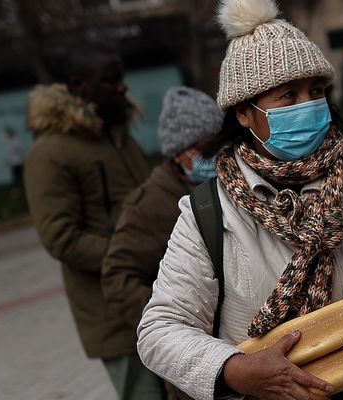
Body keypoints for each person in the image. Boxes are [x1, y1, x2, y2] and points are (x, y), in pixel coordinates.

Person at [135, 1, 343, 399]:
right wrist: (237, 371)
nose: (307, 105)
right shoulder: (207, 213)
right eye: (288, 96)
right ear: (244, 113)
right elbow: (161, 330)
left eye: (316, 91)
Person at [24, 44, 154, 399]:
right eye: (110, 81)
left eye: (122, 79)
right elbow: (60, 238)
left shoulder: (119, 138)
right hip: (112, 314)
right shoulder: (50, 153)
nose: (123, 88)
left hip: (159, 298)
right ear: (79, 86)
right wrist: (134, 255)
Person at [102, 87, 223, 400]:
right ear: (179, 153)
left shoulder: (226, 184)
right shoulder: (148, 205)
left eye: (219, 144)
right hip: (196, 363)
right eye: (205, 148)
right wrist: (177, 322)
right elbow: (117, 279)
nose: (216, 156)